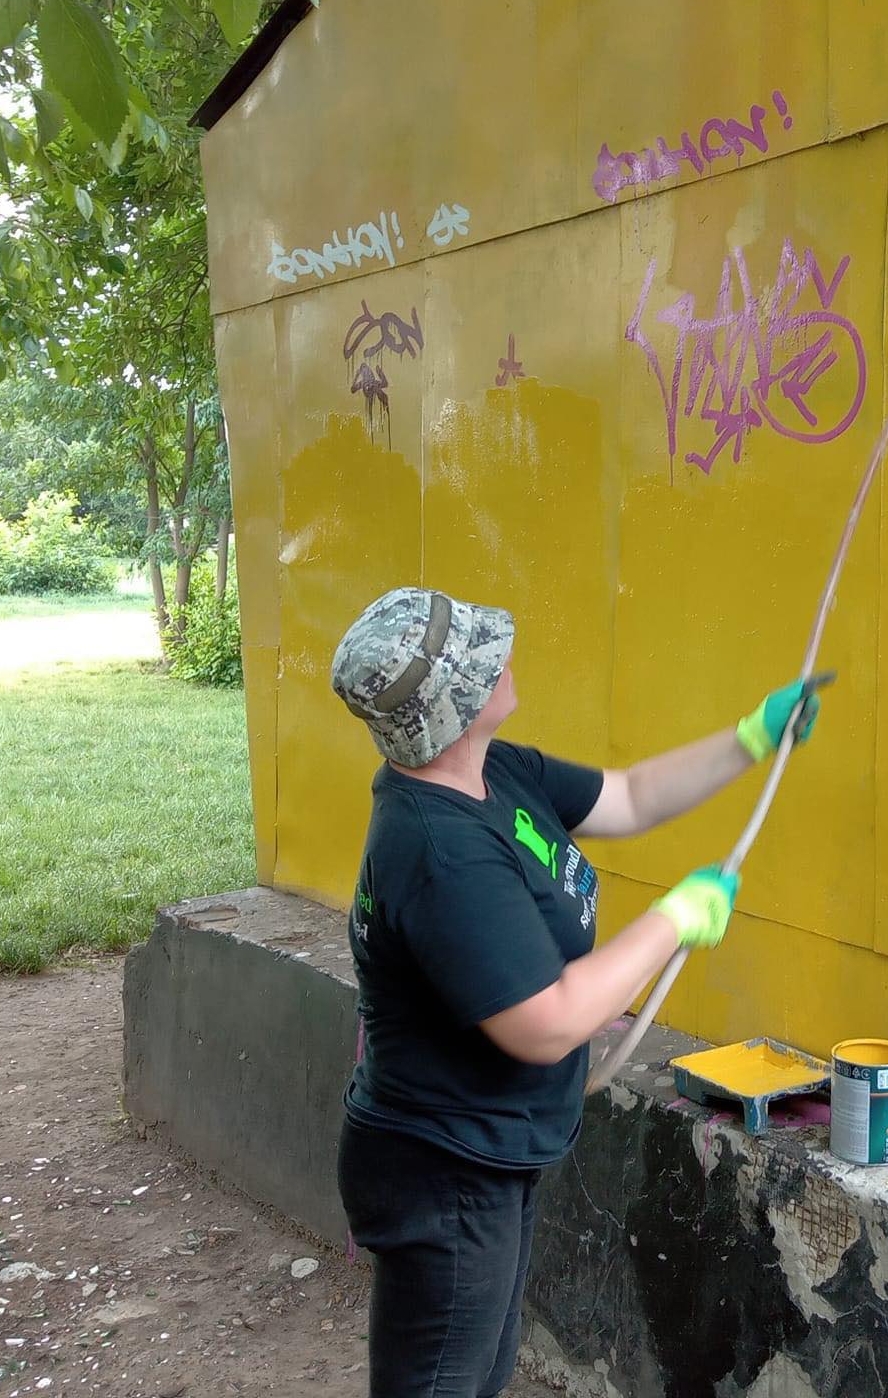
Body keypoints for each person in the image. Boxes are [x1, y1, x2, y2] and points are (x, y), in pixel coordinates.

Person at [326, 586, 824, 1398]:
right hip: (443, 1166)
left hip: (486, 1151)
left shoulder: (495, 772)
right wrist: (675, 919)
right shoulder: (440, 849)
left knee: (472, 1374)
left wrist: (752, 737)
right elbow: (548, 1022)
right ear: (451, 706)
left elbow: (628, 798)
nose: (507, 660)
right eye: (487, 661)